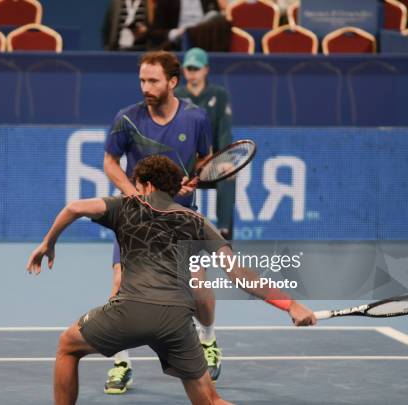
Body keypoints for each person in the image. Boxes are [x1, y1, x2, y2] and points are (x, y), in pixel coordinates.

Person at [26, 155, 317, 405]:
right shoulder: (197, 222)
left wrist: (48, 243)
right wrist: (290, 305)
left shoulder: (124, 207)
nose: (135, 191)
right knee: (211, 400)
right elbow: (239, 274)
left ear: (148, 185)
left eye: (138, 186)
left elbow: (74, 207)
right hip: (177, 320)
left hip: (131, 311)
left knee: (68, 346)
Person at [102, 50, 221, 394]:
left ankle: (209, 341)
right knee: (120, 288)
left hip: (182, 220)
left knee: (200, 293)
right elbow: (110, 162)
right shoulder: (127, 118)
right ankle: (121, 363)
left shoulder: (196, 118)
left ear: (172, 82)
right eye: (142, 80)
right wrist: (133, 194)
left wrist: (196, 178)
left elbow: (206, 160)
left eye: (153, 80)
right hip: (137, 220)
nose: (146, 87)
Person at [176, 47, 235, 239]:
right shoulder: (175, 95)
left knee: (228, 174)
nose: (192, 73)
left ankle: (224, 231)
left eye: (196, 69)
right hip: (183, 164)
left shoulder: (219, 94)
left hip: (211, 163)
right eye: (189, 69)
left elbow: (224, 130)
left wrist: (226, 160)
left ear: (206, 70)